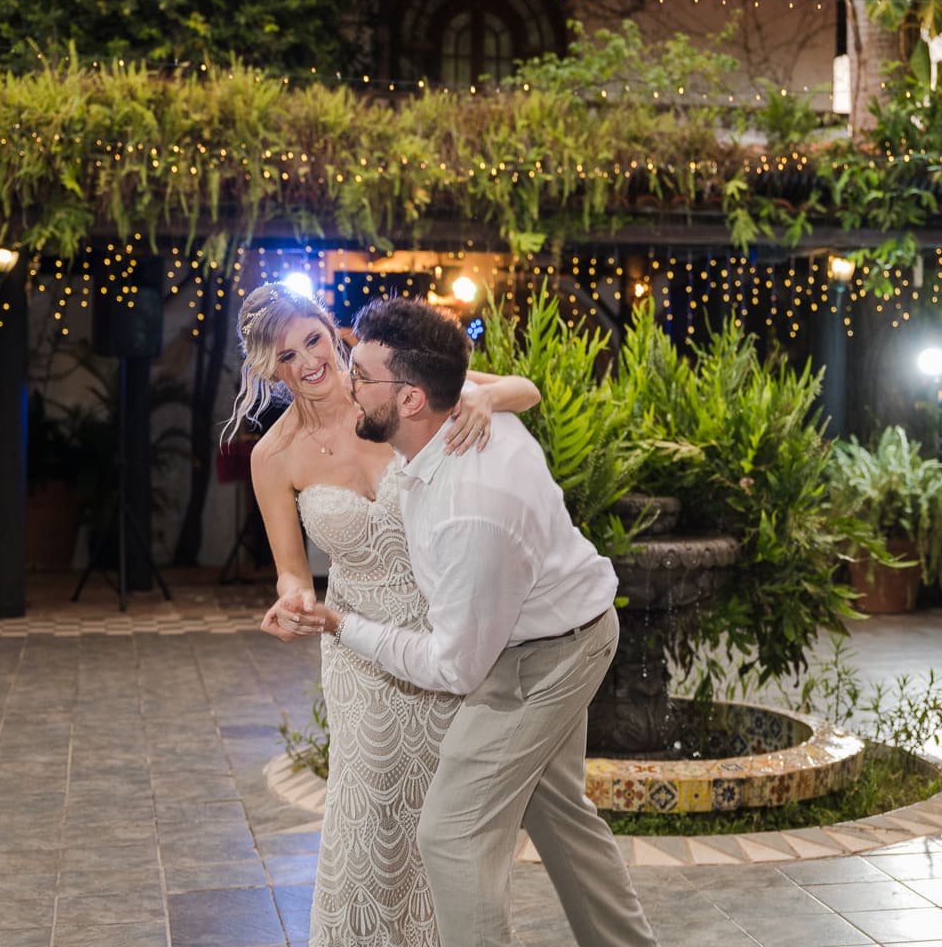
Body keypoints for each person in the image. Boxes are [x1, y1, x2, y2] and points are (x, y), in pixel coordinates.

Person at [267, 298, 658, 947]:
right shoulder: (449, 410)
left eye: (359, 376)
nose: (344, 382)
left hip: (543, 655)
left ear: (413, 400)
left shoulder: (470, 508)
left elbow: (455, 666)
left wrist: (342, 624)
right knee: (559, 816)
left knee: (449, 833)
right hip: (517, 632)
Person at [227, 283, 541, 946]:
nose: (308, 361)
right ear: (271, 369)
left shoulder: (397, 388)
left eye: (312, 339)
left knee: (449, 820)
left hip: (445, 634)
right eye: (286, 356)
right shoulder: (272, 457)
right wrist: (291, 598)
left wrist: (479, 396)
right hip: (360, 648)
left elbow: (526, 388)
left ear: (333, 331)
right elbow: (290, 565)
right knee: (367, 819)